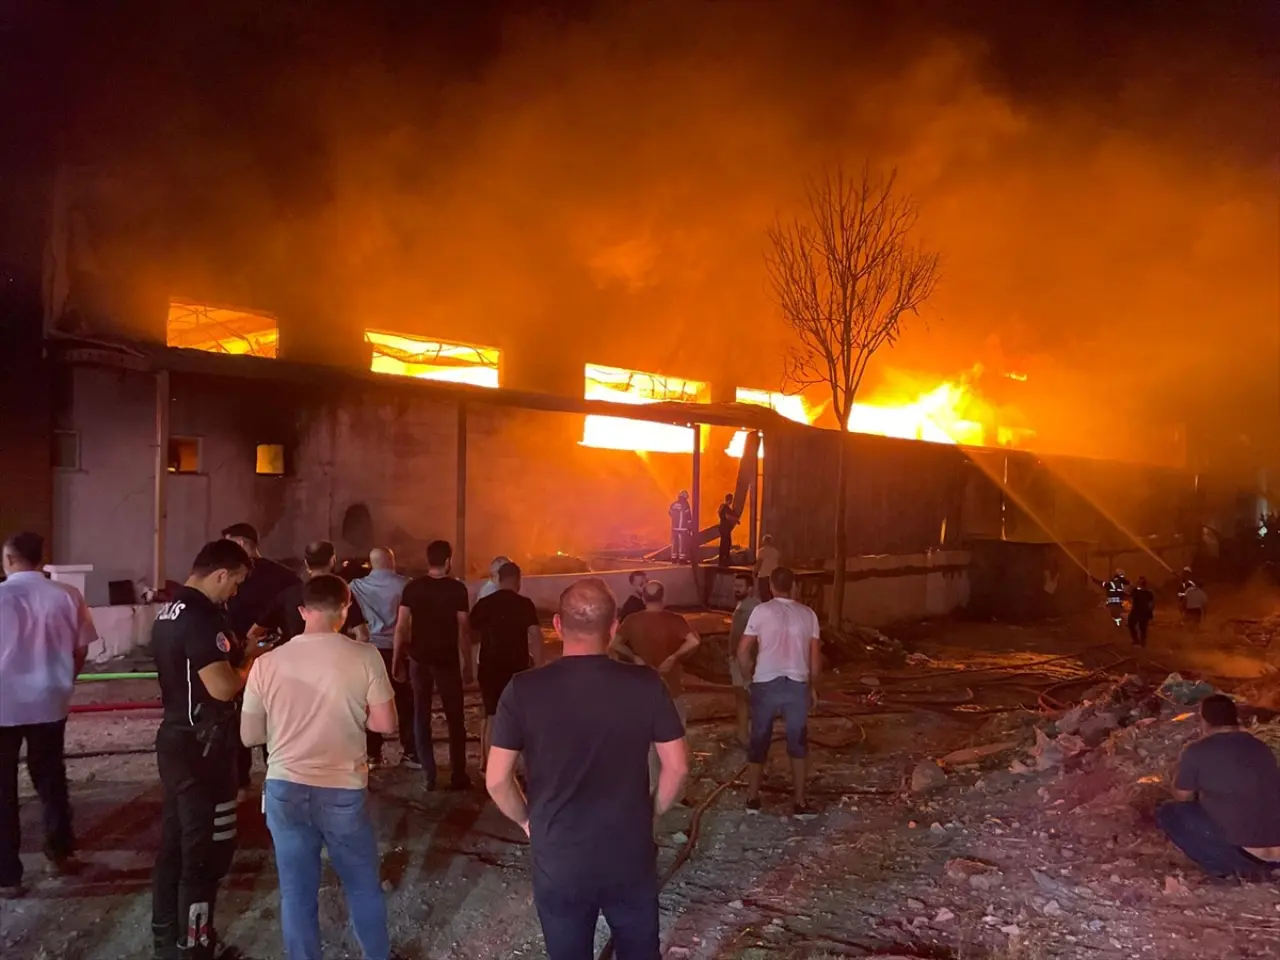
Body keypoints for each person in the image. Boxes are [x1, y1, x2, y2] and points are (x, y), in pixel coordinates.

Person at [486, 579, 688, 960]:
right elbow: (676, 767)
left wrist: (528, 821)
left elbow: (497, 779)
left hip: (559, 856)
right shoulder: (646, 684)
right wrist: (652, 812)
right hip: (627, 852)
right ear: (613, 628)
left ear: (557, 625)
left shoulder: (523, 689)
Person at [242, 575, 397, 960]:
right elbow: (385, 724)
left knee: (297, 892)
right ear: (345, 609)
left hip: (285, 788)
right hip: (343, 788)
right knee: (362, 885)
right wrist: (353, 714)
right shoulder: (365, 656)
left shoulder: (266, 663)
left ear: (302, 611)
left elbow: (249, 735)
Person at [150, 539, 260, 960]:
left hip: (178, 739)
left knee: (176, 843)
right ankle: (196, 948)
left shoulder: (170, 610)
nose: (235, 591)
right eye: (235, 583)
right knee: (206, 851)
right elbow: (223, 687)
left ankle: (168, 940)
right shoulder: (200, 617)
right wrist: (251, 664)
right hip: (204, 748)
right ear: (220, 574)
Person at [0, 532, 97, 898]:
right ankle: (60, 852)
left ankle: (7, 874)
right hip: (49, 702)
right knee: (51, 778)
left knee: (3, 788)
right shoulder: (67, 595)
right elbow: (81, 650)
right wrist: (64, 681)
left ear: (9, 559)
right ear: (42, 557)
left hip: (3, 704)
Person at [1156, 694, 1280, 880]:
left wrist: (1181, 772)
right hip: (1277, 851)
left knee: (1170, 811)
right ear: (1234, 718)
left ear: (1204, 721)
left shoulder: (1198, 750)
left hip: (1246, 854)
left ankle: (1226, 867)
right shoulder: (1261, 747)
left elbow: (1182, 797)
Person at [220, 522, 301, 795]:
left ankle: (248, 779)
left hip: (249, 654)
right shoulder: (286, 577)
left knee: (248, 716)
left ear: (243, 543)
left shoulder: (275, 577)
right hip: (269, 655)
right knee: (267, 716)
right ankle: (272, 777)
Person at [737, 566, 822, 817]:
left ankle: (753, 799)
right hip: (796, 684)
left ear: (771, 586)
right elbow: (815, 658)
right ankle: (799, 803)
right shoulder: (809, 615)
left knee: (759, 740)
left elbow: (743, 650)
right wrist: (813, 687)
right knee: (798, 743)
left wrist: (747, 678)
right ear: (794, 586)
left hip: (765, 682)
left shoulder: (761, 611)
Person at [393, 540, 472, 791]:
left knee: (421, 714)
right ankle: (458, 774)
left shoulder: (412, 588)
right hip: (447, 659)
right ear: (448, 561)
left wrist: (396, 659)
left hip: (419, 659)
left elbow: (401, 626)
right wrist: (468, 663)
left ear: (428, 560)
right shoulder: (457, 589)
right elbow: (463, 629)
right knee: (455, 717)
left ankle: (429, 774)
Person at [611, 580, 701, 800]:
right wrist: (673, 657)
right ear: (664, 598)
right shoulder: (675, 620)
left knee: (647, 742)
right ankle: (676, 794)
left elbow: (613, 643)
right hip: (671, 688)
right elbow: (693, 642)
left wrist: (634, 657)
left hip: (642, 690)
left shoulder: (633, 620)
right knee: (676, 739)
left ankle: (651, 789)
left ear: (643, 598)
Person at [469, 562, 542, 771]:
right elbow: (535, 635)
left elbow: (471, 636)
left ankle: (489, 767)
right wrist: (539, 665)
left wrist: (472, 666)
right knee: (521, 716)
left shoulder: (485, 604)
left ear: (498, 580)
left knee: (492, 715)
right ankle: (524, 768)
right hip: (517, 669)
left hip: (489, 668)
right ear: (518, 580)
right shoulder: (524, 604)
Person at [350, 547, 418, 769]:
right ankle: (410, 751)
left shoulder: (356, 587)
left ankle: (373, 754)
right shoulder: (406, 585)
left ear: (371, 563)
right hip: (399, 649)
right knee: (406, 702)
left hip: (369, 649)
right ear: (391, 560)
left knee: (371, 701)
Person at [254, 541, 368, 646]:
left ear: (306, 563)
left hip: (295, 658)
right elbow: (363, 635)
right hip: (333, 657)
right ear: (333, 560)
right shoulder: (342, 593)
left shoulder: (287, 595)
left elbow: (254, 633)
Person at [727, 573, 760, 746]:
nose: (736, 589)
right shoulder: (748, 606)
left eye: (740, 586)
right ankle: (746, 733)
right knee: (744, 696)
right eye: (735, 585)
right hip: (745, 657)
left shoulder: (749, 609)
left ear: (750, 588)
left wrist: (740, 658)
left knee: (742, 696)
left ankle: (744, 735)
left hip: (745, 658)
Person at [1128, 575, 1155, 647]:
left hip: (1144, 612)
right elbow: (1130, 594)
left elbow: (1151, 603)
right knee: (1131, 624)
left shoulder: (1148, 593)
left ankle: (1142, 643)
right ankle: (1137, 640)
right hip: (1136, 611)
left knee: (1143, 628)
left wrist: (1150, 612)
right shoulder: (1136, 591)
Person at [668, 490, 693, 563]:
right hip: (683, 528)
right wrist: (690, 527)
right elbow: (688, 517)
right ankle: (682, 559)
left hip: (674, 527)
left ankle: (674, 558)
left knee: (674, 543)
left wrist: (676, 520)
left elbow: (670, 513)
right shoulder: (685, 505)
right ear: (685, 497)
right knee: (682, 544)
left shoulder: (673, 504)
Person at [753, 534, 780, 601]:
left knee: (763, 594)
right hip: (773, 575)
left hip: (763, 575)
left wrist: (754, 573)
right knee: (772, 594)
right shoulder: (775, 551)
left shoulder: (762, 551)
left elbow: (759, 563)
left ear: (764, 541)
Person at [717, 493, 739, 567]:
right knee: (726, 544)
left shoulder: (722, 507)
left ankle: (723, 560)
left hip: (723, 528)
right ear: (729, 500)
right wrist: (735, 520)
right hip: (725, 528)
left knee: (724, 544)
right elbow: (727, 516)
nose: (732, 501)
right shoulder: (725, 507)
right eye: (731, 500)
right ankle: (725, 560)